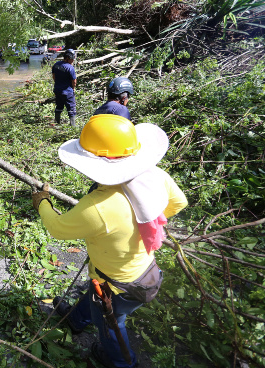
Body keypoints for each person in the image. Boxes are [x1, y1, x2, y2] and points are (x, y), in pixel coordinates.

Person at [32, 115, 187, 368]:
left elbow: (57, 228)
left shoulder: (98, 206)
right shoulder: (156, 176)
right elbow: (179, 202)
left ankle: (121, 362)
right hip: (143, 271)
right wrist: (143, 223)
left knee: (111, 324)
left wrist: (42, 202)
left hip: (117, 285)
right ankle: (77, 320)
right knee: (95, 295)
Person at [52, 49, 77, 126]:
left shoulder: (56, 65)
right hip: (67, 91)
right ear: (68, 58)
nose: (73, 60)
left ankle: (57, 122)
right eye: (72, 58)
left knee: (59, 106)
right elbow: (74, 81)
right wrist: (73, 88)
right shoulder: (70, 68)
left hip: (57, 90)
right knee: (71, 108)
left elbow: (54, 77)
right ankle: (73, 126)